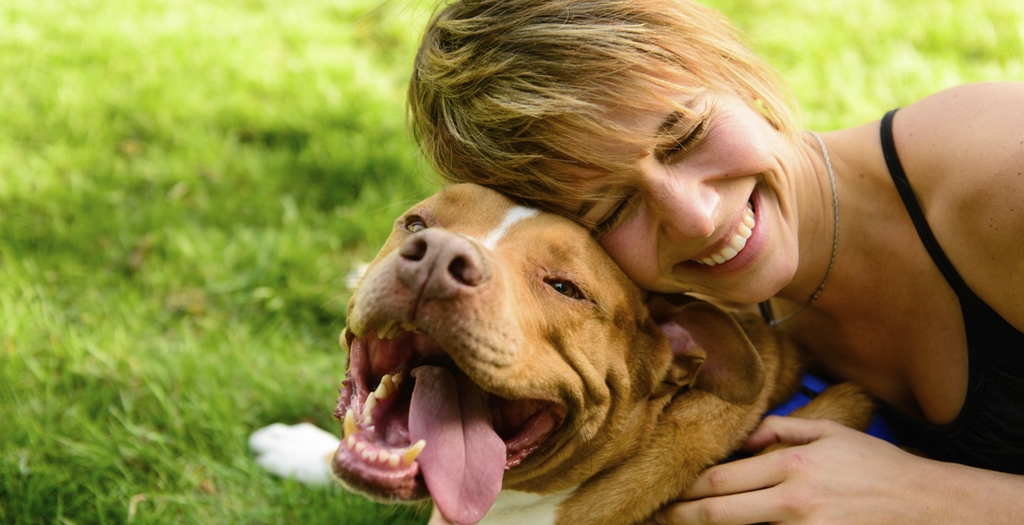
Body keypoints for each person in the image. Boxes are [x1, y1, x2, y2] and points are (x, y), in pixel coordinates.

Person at [406, 0, 1024, 523]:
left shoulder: (1002, 176)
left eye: (686, 136)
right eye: (613, 210)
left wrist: (925, 494)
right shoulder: (672, 316)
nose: (696, 218)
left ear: (737, 73)